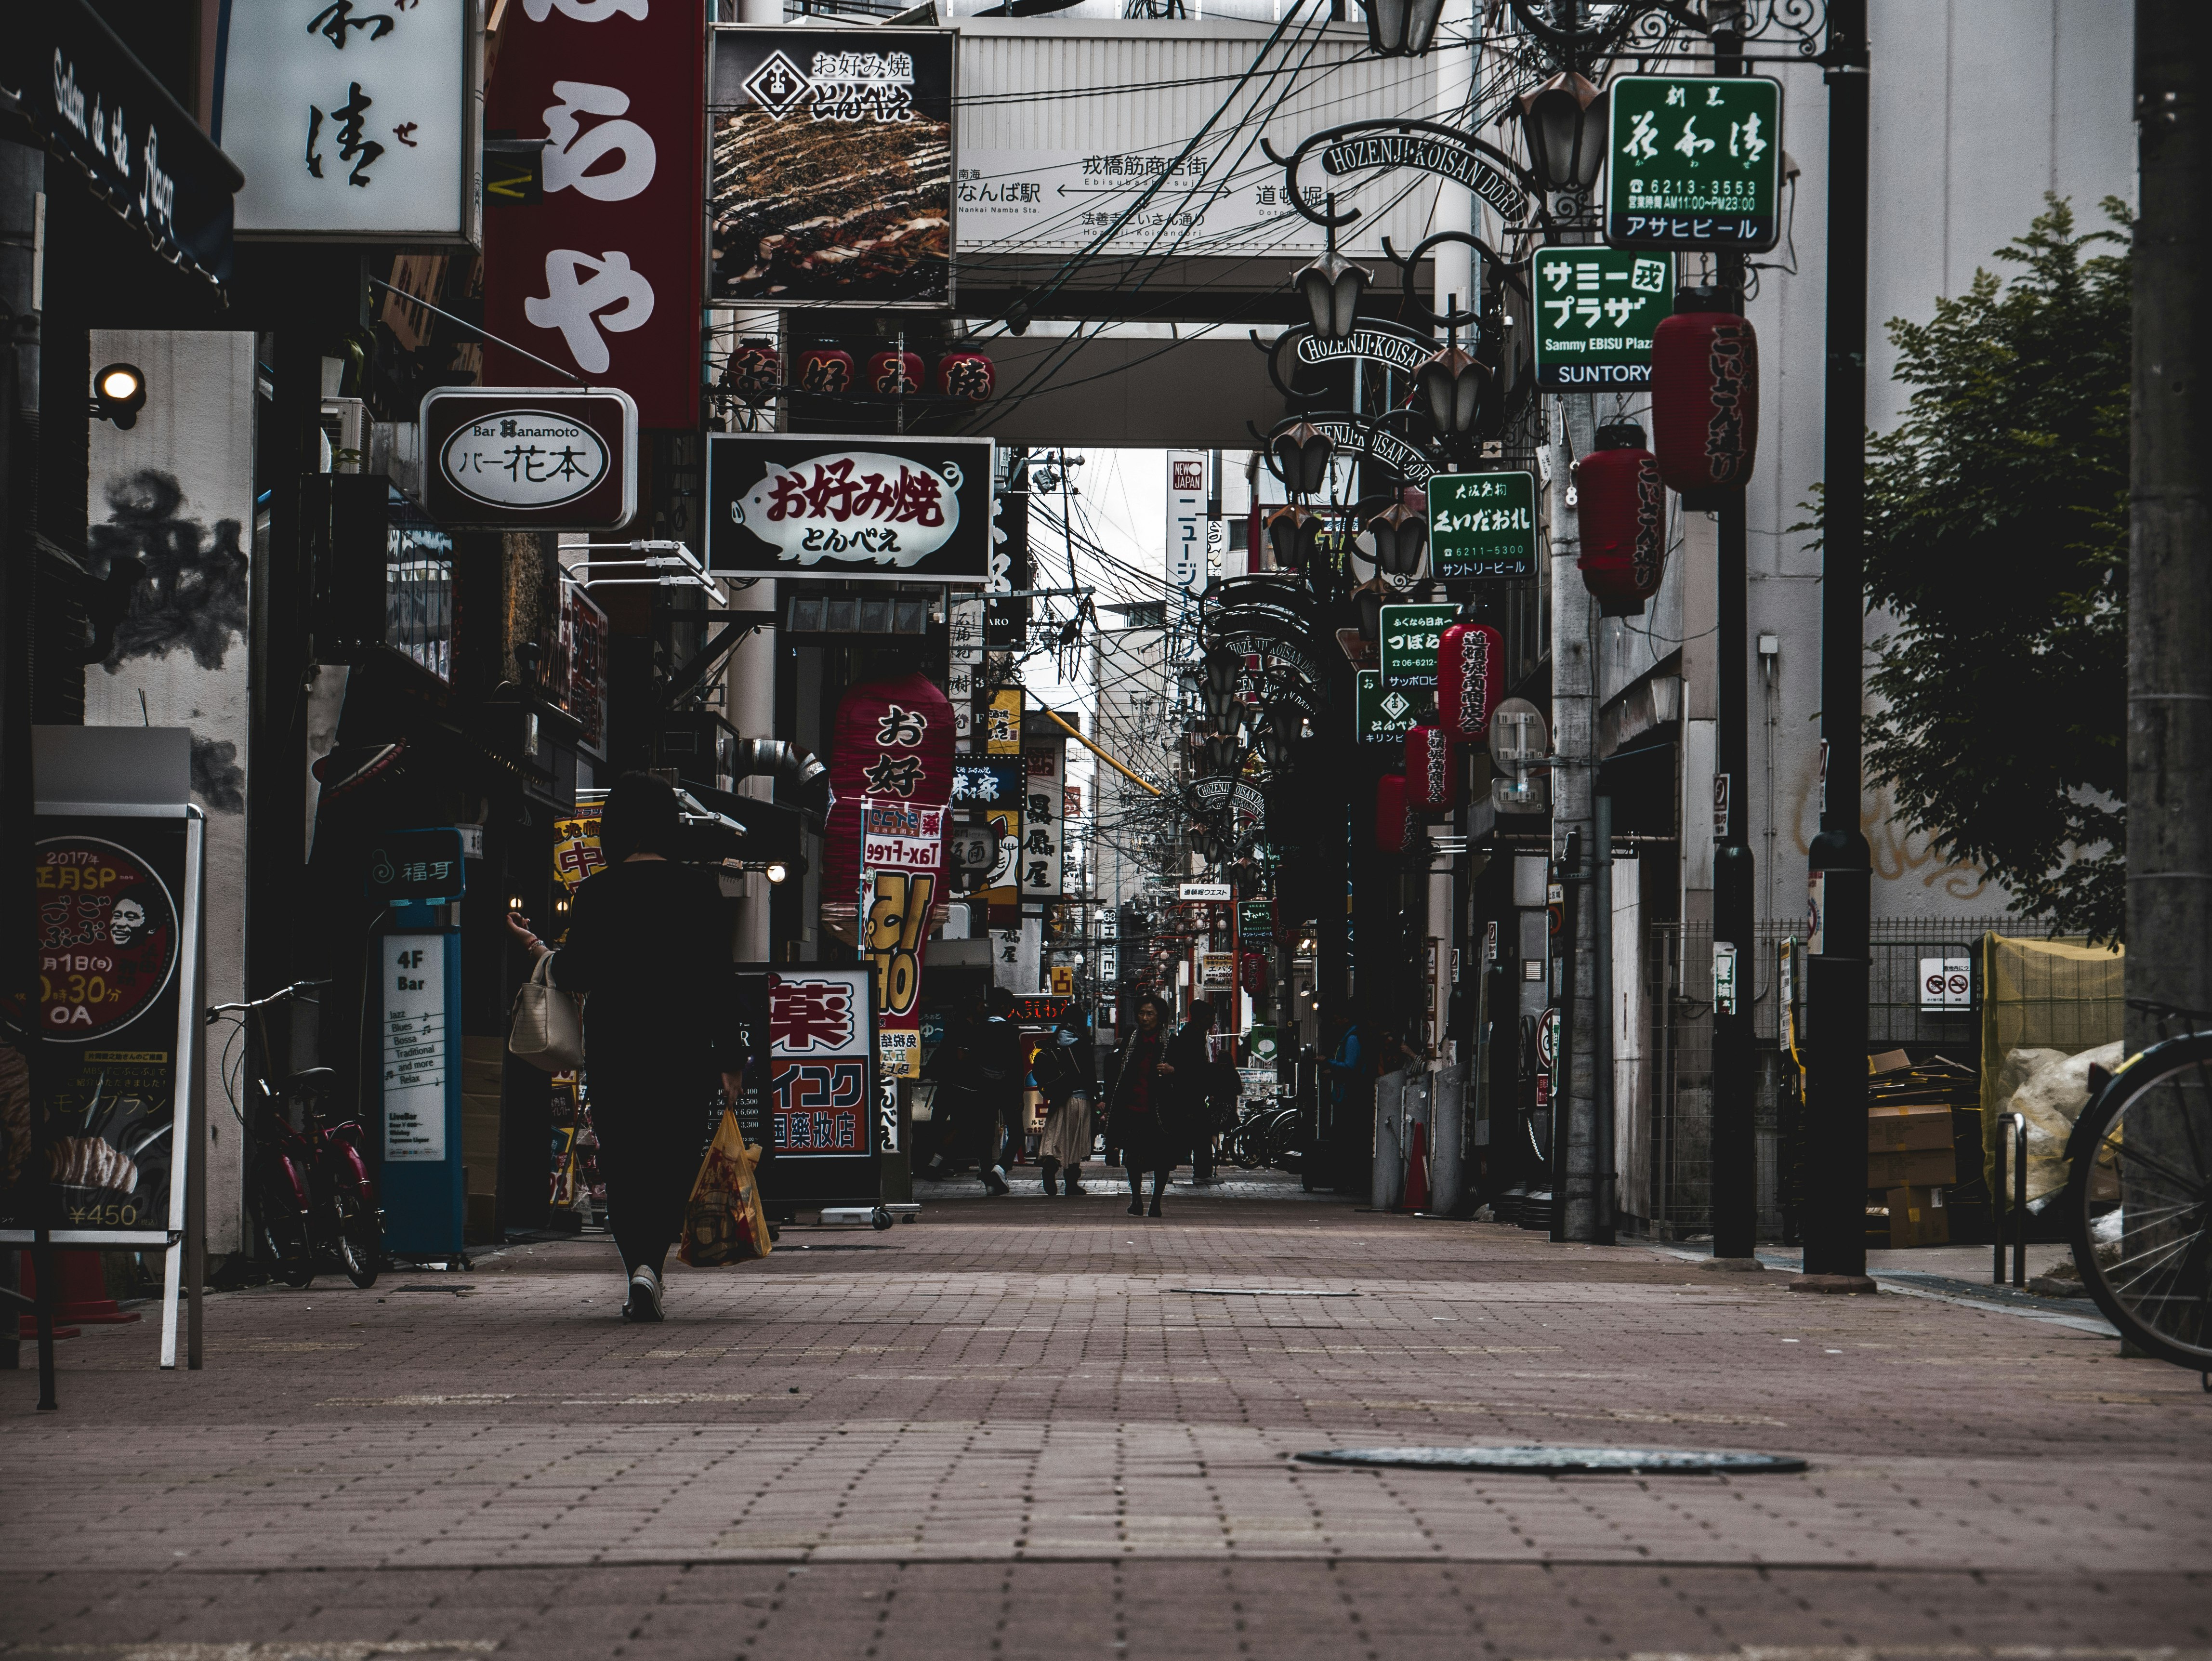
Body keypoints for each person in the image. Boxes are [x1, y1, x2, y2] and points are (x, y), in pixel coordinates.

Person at [506, 773, 741, 1323]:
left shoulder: (598, 892)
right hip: (684, 1053)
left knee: (628, 1162)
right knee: (671, 1160)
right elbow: (718, 979)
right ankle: (650, 1267)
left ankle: (639, 1265)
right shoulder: (698, 890)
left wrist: (539, 949)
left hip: (618, 1052)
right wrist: (730, 1057)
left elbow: (578, 970)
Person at [1105, 993, 1174, 1216]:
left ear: (1160, 1018)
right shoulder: (1131, 1040)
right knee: (1132, 1158)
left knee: (1162, 1159)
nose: (1145, 1018)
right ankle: (1136, 1200)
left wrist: (1173, 1071)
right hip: (1133, 1108)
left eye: (1150, 1014)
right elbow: (1117, 1073)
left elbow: (1189, 1072)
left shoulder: (1170, 1043)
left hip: (1160, 1111)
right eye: (1142, 1013)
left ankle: (1156, 1203)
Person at [970, 986, 1027, 1195]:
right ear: (1003, 1007)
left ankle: (989, 1181)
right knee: (1018, 1133)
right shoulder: (1010, 1030)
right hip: (1007, 1089)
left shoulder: (978, 1029)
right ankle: (1001, 1167)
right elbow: (1016, 1065)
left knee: (985, 1135)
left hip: (983, 1088)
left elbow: (973, 1061)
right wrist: (1018, 1093)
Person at [1031, 1013, 1093, 1197]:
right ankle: (1071, 1183)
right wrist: (1097, 1100)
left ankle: (1049, 1167)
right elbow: (1089, 1075)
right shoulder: (1082, 1045)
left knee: (1055, 1138)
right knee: (1075, 1141)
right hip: (1080, 1100)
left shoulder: (1052, 1042)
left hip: (1058, 1100)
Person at [1164, 1001, 1222, 1185]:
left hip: (1190, 1093)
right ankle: (1198, 1172)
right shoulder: (1192, 1037)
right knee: (1198, 1134)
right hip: (1189, 1094)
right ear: (1200, 1018)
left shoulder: (1194, 1035)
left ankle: (1172, 1169)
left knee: (1192, 1134)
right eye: (1209, 1017)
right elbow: (1191, 1067)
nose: (1212, 1021)